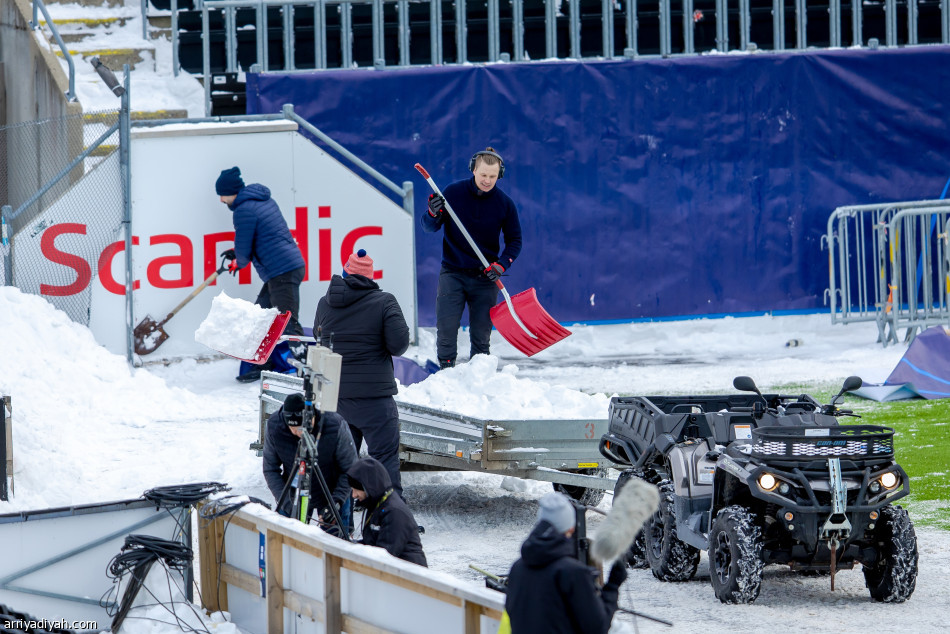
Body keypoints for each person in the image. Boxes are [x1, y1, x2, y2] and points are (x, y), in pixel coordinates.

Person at [313, 249, 409, 496]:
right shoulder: (385, 302)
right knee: (384, 459)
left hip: (337, 398)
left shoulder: (325, 303)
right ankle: (389, 518)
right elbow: (399, 345)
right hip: (374, 399)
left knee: (344, 460)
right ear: (371, 277)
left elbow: (318, 337)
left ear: (345, 273)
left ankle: (337, 519)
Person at [421, 147, 522, 370]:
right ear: (473, 170)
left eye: (492, 176)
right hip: (452, 273)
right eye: (483, 174)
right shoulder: (452, 193)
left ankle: (479, 376)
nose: (487, 180)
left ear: (500, 175)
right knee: (446, 330)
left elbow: (515, 241)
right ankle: (446, 374)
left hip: (485, 277)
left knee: (481, 335)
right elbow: (429, 227)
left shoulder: (505, 204)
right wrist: (432, 212)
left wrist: (501, 265)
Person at [215, 166, 307, 383]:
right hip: (283, 269)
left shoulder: (243, 210)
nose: (221, 200)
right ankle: (261, 366)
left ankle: (309, 368)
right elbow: (259, 238)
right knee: (260, 315)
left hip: (282, 270)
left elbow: (245, 251)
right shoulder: (261, 201)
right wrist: (237, 254)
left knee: (287, 321)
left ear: (232, 192)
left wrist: (239, 260)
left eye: (222, 195)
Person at [504, 492, 626, 634]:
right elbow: (597, 627)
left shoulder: (518, 567)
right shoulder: (573, 573)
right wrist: (613, 585)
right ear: (571, 528)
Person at [262, 392, 358, 536]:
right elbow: (270, 469)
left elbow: (350, 469)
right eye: (294, 430)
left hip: (332, 490)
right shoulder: (275, 426)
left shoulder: (335, 425)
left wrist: (335, 503)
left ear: (313, 417)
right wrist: (286, 503)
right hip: (294, 492)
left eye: (303, 428)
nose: (300, 434)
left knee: (336, 546)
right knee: (286, 541)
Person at [347, 457, 427, 567]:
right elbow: (371, 544)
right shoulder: (376, 504)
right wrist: (349, 546)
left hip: (410, 578)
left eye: (357, 489)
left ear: (369, 487)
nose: (354, 495)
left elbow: (385, 556)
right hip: (396, 573)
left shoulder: (394, 512)